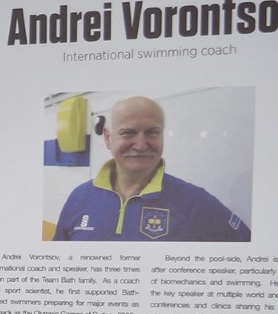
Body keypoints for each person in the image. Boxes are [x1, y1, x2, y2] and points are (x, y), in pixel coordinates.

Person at [53, 95, 250, 241]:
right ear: (108, 137)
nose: (141, 145)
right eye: (128, 133)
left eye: (152, 133)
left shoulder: (195, 203)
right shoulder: (80, 197)